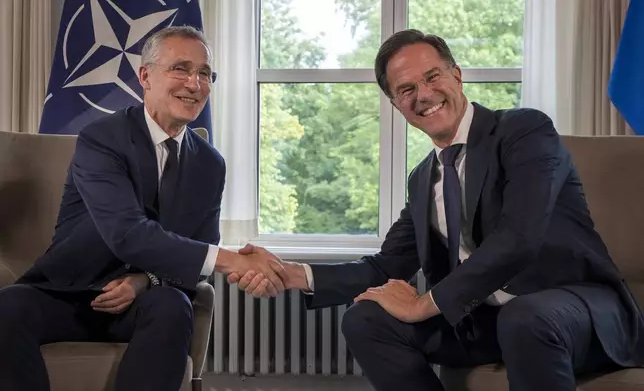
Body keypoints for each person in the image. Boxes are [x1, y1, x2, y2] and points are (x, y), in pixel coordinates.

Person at [230, 29, 644, 391]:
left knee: (525, 316)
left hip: (575, 312)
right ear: (396, 105)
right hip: (489, 322)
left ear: (457, 75)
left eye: (431, 77)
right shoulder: (423, 177)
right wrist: (292, 274)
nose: (423, 95)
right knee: (366, 320)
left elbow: (519, 240)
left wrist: (423, 303)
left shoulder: (523, 131)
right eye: (406, 90)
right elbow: (385, 267)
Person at [0, 26, 284, 391]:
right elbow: (127, 233)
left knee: (173, 305)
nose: (194, 84)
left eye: (204, 73)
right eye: (180, 68)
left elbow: (198, 252)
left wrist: (143, 281)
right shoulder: (101, 139)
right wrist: (236, 260)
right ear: (145, 76)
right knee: (6, 308)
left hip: (143, 304)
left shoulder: (210, 164)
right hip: (68, 293)